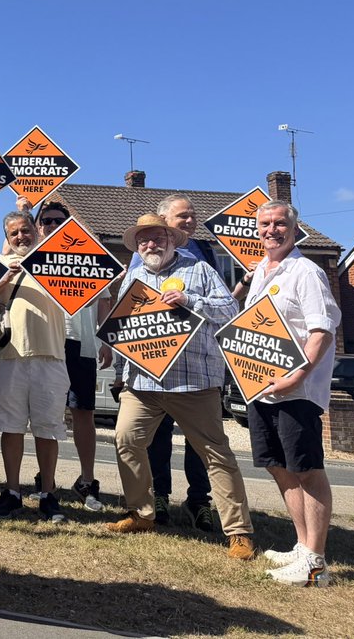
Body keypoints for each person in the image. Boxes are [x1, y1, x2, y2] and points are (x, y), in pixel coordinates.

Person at [106, 214, 256, 562]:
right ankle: (141, 514)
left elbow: (230, 308)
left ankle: (238, 532)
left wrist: (190, 301)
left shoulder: (199, 270)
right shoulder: (134, 275)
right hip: (143, 381)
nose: (150, 245)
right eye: (143, 240)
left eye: (157, 238)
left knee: (215, 453)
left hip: (193, 381)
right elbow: (123, 327)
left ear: (172, 240)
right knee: (126, 440)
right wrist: (120, 370)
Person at [246, 200, 341, 586]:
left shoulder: (307, 271)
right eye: (265, 224)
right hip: (263, 388)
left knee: (307, 470)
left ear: (294, 228)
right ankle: (303, 547)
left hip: (296, 391)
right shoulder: (259, 272)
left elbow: (322, 330)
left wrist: (298, 376)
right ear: (257, 230)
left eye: (280, 223)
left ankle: (316, 565)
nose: (272, 229)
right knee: (280, 467)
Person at [125, 193, 218, 529]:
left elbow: (219, 304)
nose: (190, 221)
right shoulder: (143, 257)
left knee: (201, 444)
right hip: (154, 366)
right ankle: (159, 497)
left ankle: (199, 501)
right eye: (183, 216)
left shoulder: (204, 256)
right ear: (165, 222)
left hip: (196, 367)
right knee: (156, 437)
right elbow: (131, 310)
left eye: (192, 215)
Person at [0, 211, 70, 523]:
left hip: (51, 357)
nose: (21, 237)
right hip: (10, 358)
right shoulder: (0, 265)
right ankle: (12, 491)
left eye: (25, 230)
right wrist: (3, 278)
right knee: (11, 427)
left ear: (36, 230)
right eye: (14, 233)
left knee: (48, 429)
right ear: (7, 237)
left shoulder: (58, 263)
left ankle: (48, 494)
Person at [34, 201, 111, 512]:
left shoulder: (89, 255)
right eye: (46, 221)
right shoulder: (33, 257)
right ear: (39, 226)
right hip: (46, 344)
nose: (52, 226)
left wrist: (105, 339)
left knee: (83, 414)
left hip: (81, 343)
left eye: (58, 221)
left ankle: (87, 481)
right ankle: (46, 479)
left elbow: (105, 299)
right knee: (46, 415)